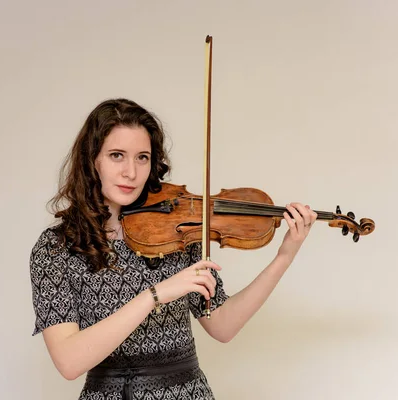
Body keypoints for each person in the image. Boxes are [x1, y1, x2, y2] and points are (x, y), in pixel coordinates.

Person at [29, 98, 317, 400]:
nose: (131, 172)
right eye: (117, 155)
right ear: (93, 160)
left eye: (142, 157)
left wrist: (285, 255)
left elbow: (223, 326)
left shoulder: (176, 230)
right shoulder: (57, 248)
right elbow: (69, 361)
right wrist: (155, 295)